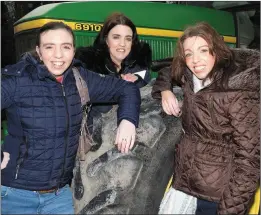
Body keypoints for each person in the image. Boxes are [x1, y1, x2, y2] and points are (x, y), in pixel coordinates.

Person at [1, 21, 141, 214]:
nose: (58, 55)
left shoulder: (79, 79)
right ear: (39, 51)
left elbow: (127, 88)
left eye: (65, 47)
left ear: (73, 51)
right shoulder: (18, 80)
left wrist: (127, 120)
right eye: (49, 47)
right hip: (14, 194)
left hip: (58, 196)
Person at [152, 22, 260, 215]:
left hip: (218, 197)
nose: (195, 60)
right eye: (189, 54)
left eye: (203, 50)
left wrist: (229, 210)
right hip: (187, 186)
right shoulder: (191, 78)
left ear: (216, 51)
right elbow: (169, 70)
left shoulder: (236, 93)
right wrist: (165, 90)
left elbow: (250, 161)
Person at [75, 12, 151, 133]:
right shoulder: (91, 67)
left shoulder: (137, 64)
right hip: (96, 137)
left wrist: (137, 79)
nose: (122, 44)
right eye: (116, 37)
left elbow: (147, 78)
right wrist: (120, 85)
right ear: (106, 40)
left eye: (128, 39)